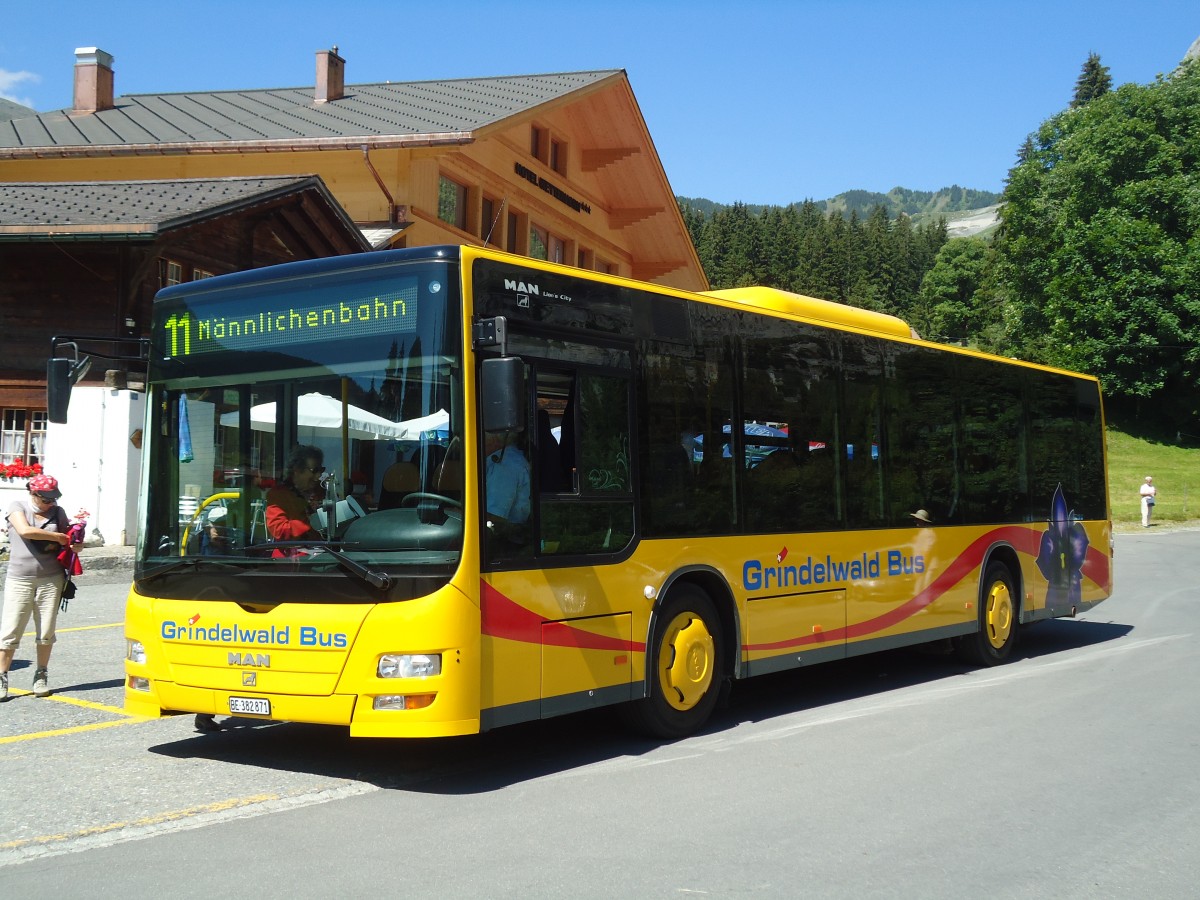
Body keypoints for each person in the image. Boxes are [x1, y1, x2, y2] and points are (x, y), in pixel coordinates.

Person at [1, 474, 83, 700]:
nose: (51, 503)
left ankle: (41, 674)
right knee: (10, 630)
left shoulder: (58, 512)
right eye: (46, 499)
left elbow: (70, 540)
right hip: (20, 578)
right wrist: (58, 537)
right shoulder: (17, 507)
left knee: (46, 631)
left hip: (51, 578)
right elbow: (26, 531)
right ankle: (2, 677)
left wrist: (76, 544)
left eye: (53, 498)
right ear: (33, 494)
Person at [265, 445, 326, 544]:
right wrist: (311, 523)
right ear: (297, 470)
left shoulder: (321, 491)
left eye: (321, 470)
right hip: (293, 556)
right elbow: (279, 530)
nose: (318, 476)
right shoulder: (279, 495)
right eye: (314, 470)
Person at [484, 429, 531, 530]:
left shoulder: (504, 465)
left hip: (506, 538)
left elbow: (493, 517)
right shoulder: (510, 458)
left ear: (493, 439)